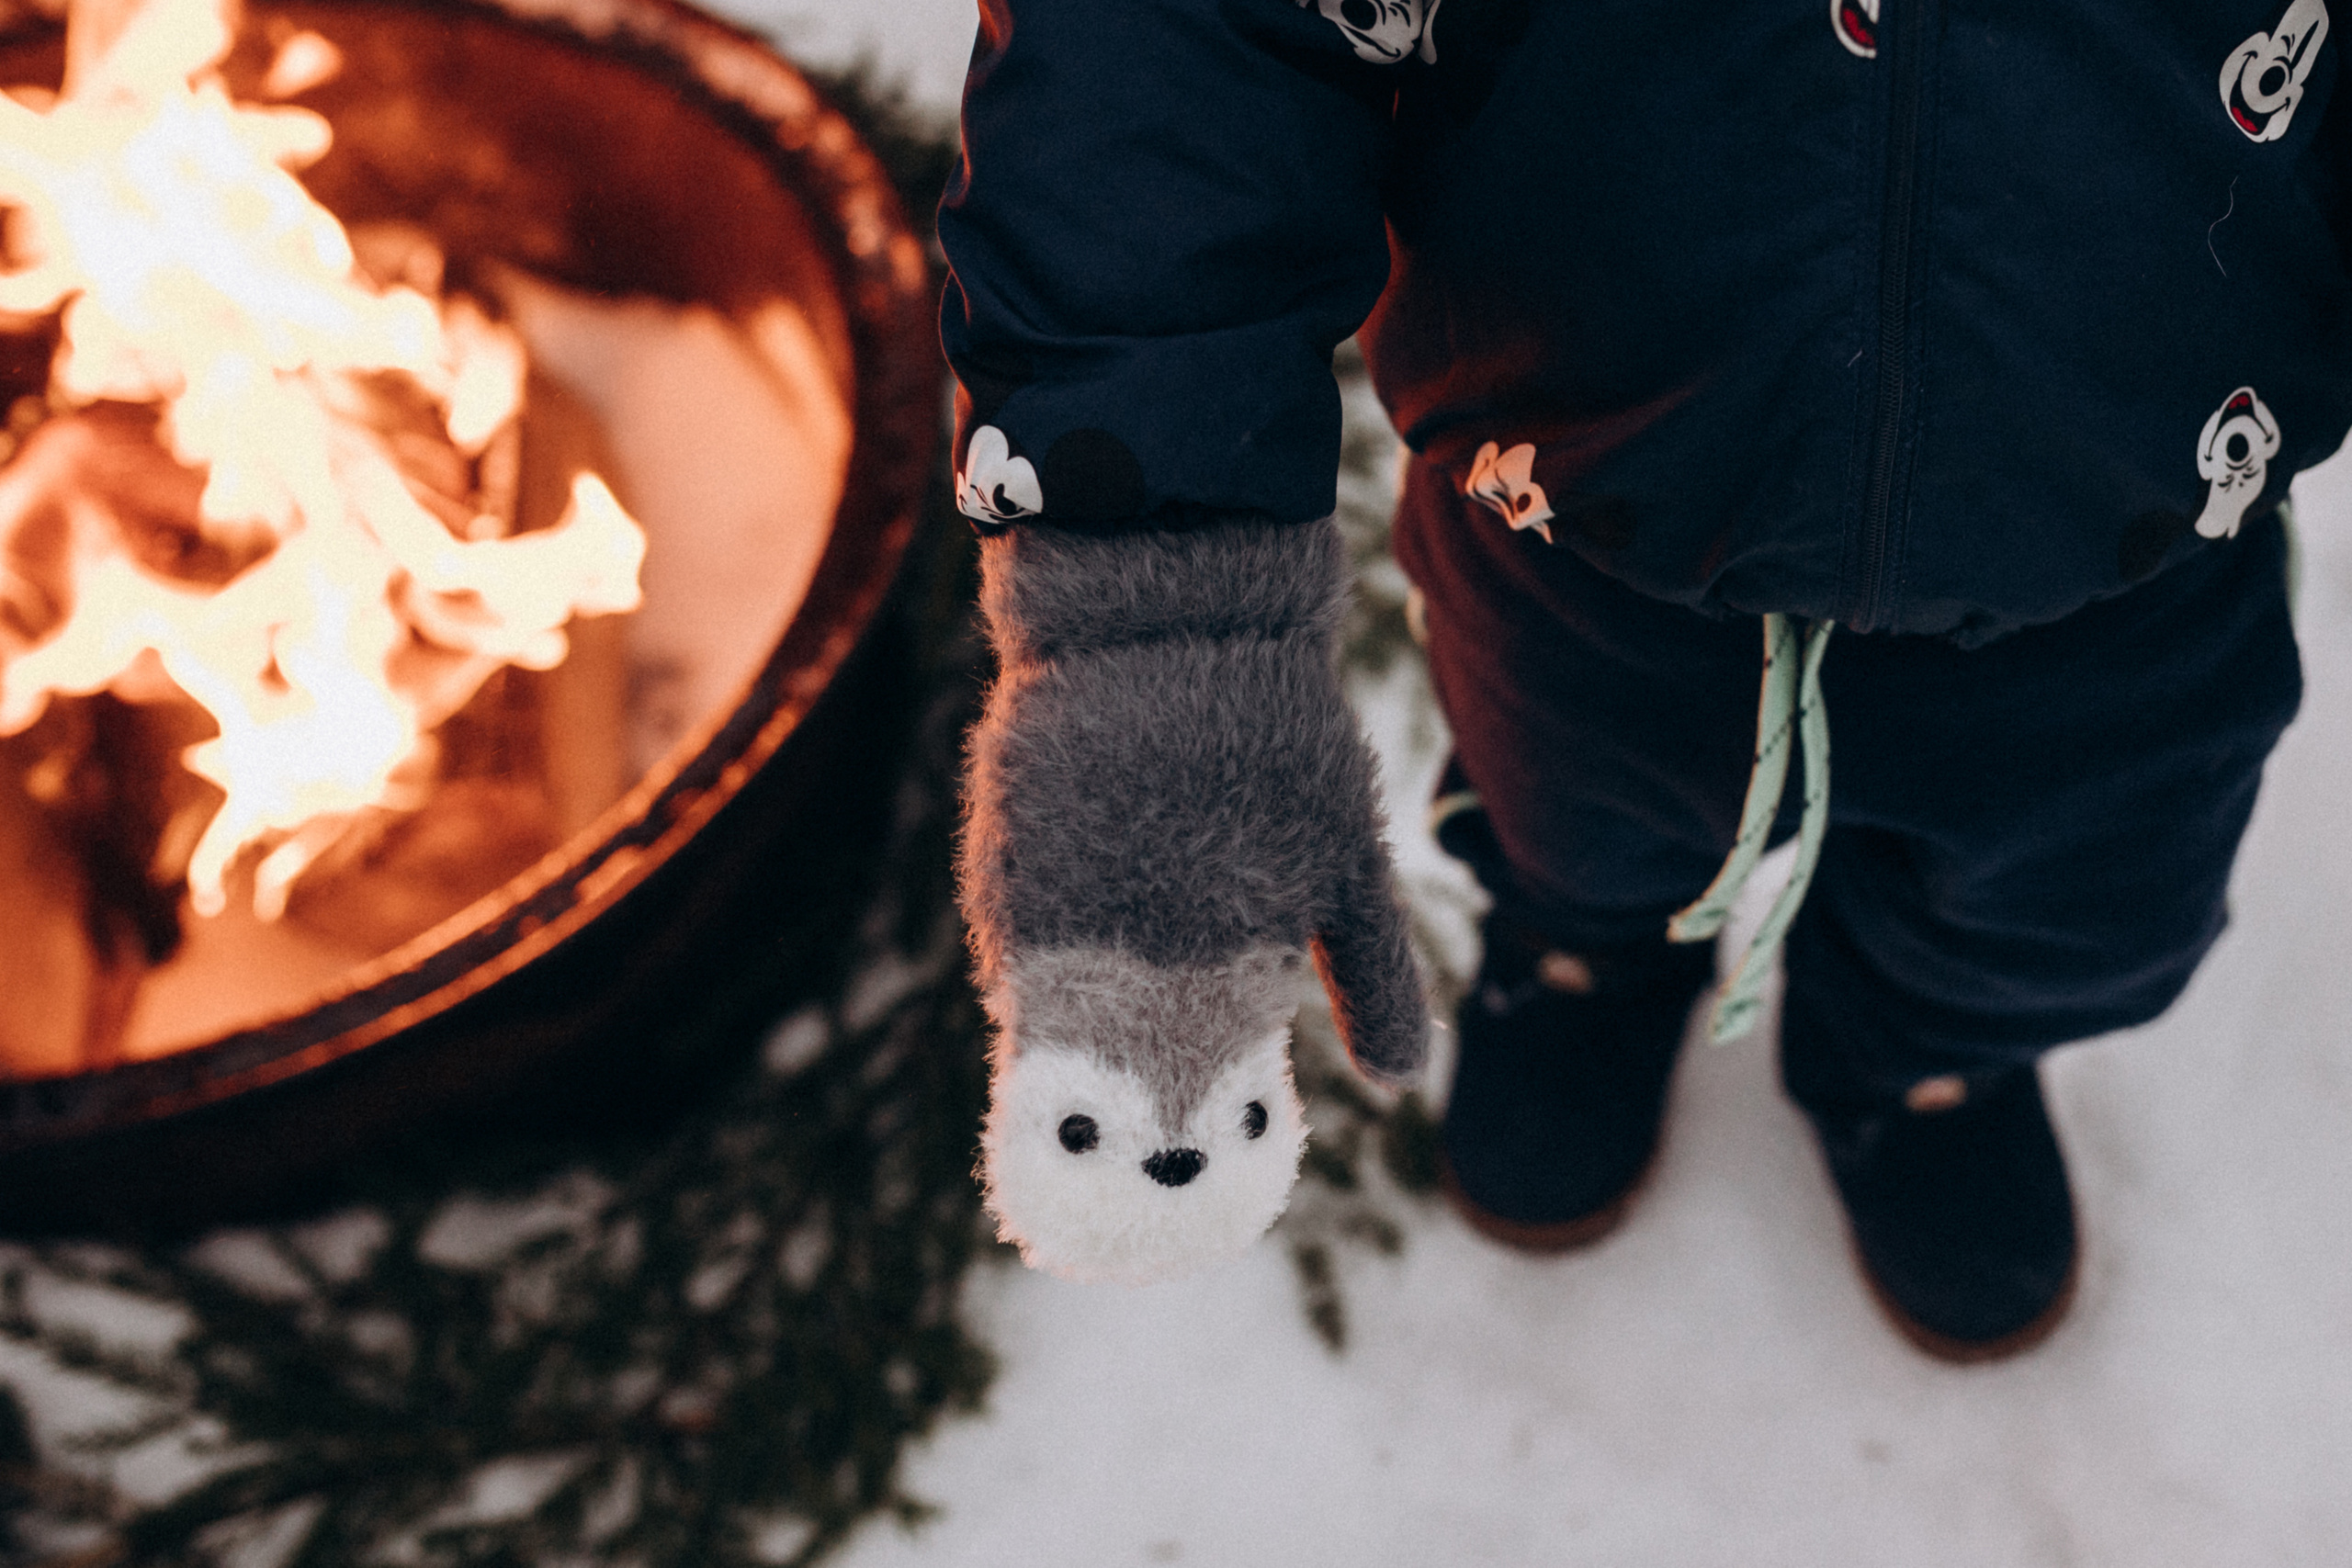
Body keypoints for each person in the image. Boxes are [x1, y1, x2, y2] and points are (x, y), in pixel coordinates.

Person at [938, 0, 2338, 1359]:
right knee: (1569, 808)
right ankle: (1583, 961)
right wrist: (1161, 606)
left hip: (2127, 554)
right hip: (1578, 509)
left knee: (2064, 913)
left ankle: (1930, 1055)